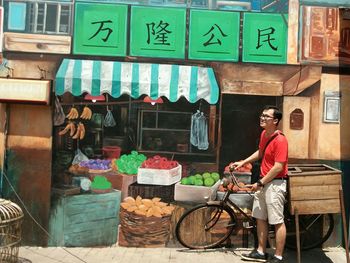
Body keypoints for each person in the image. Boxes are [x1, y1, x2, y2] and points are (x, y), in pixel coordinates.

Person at [230, 105, 288, 263]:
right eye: (262, 115)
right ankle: (261, 251)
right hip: (263, 181)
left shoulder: (281, 140)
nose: (262, 118)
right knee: (260, 217)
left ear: (275, 120)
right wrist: (242, 162)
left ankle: (278, 256)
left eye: (266, 116)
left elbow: (278, 167)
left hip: (275, 183)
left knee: (277, 221)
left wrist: (261, 182)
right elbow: (260, 152)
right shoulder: (264, 134)